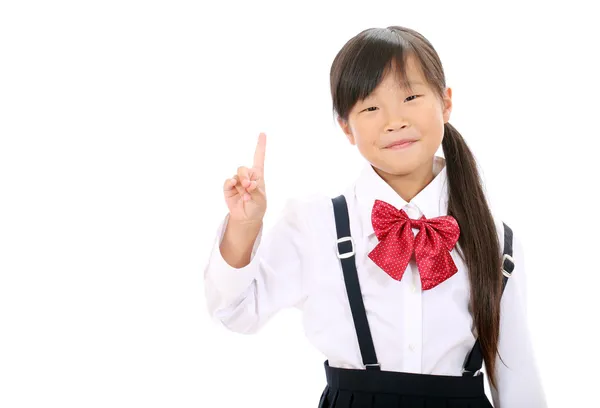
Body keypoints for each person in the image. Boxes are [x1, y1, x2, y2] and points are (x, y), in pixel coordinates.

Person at [204, 25, 546, 407]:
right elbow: (235, 311)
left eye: (411, 96)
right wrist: (244, 226)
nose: (393, 120)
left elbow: (516, 379)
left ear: (446, 103)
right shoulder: (315, 224)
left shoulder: (493, 238)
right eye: (370, 107)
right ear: (346, 128)